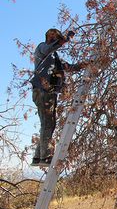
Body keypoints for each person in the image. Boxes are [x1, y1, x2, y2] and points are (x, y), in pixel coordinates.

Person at [30, 28, 84, 167]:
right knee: (48, 123)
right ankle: (45, 157)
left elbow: (68, 67)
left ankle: (38, 156)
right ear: (48, 36)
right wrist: (65, 39)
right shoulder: (42, 48)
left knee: (48, 123)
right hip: (43, 90)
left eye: (57, 37)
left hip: (47, 91)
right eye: (54, 36)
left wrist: (83, 65)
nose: (56, 39)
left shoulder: (54, 57)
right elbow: (48, 49)